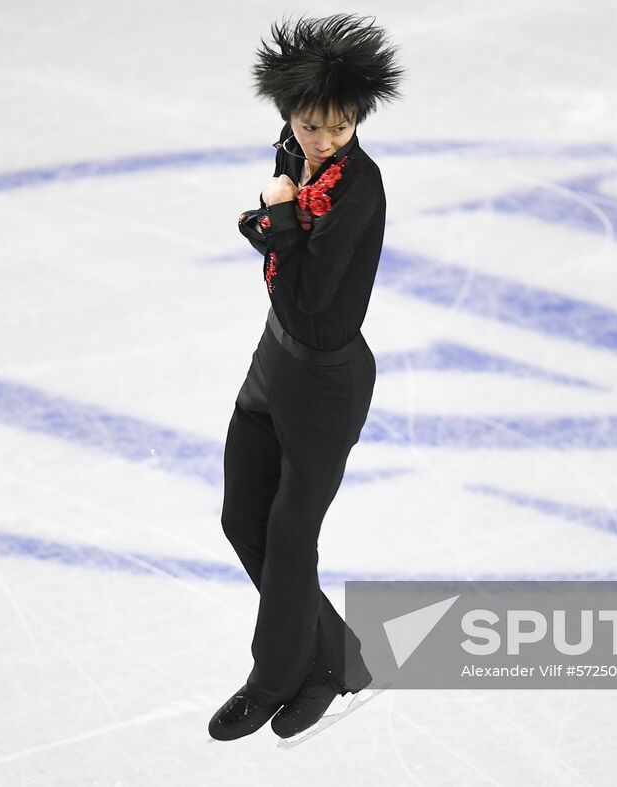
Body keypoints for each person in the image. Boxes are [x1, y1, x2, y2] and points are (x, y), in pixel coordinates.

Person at [208, 13, 404, 742]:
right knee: (242, 518)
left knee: (291, 536)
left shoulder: (362, 188)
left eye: (339, 127)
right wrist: (274, 221)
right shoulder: (293, 151)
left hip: (326, 379)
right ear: (289, 114)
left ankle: (275, 679)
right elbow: (278, 257)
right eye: (310, 124)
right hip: (274, 360)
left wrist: (275, 220)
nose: (323, 140)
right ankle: (340, 660)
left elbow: (313, 299)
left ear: (357, 119)